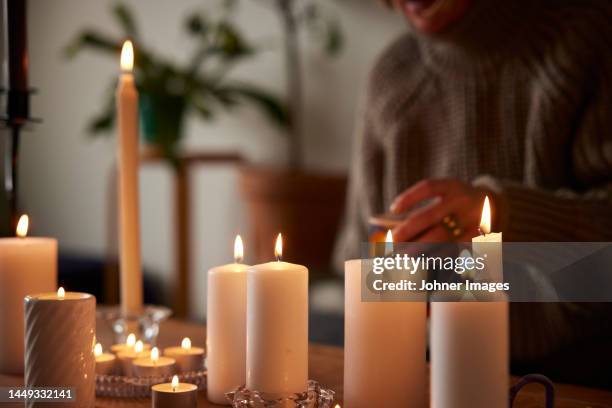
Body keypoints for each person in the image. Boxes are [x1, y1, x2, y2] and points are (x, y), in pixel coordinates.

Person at [337, 0, 612, 388]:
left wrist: (505, 215)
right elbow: (360, 256)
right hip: (429, 369)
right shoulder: (392, 77)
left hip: (577, 373)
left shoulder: (584, 40)